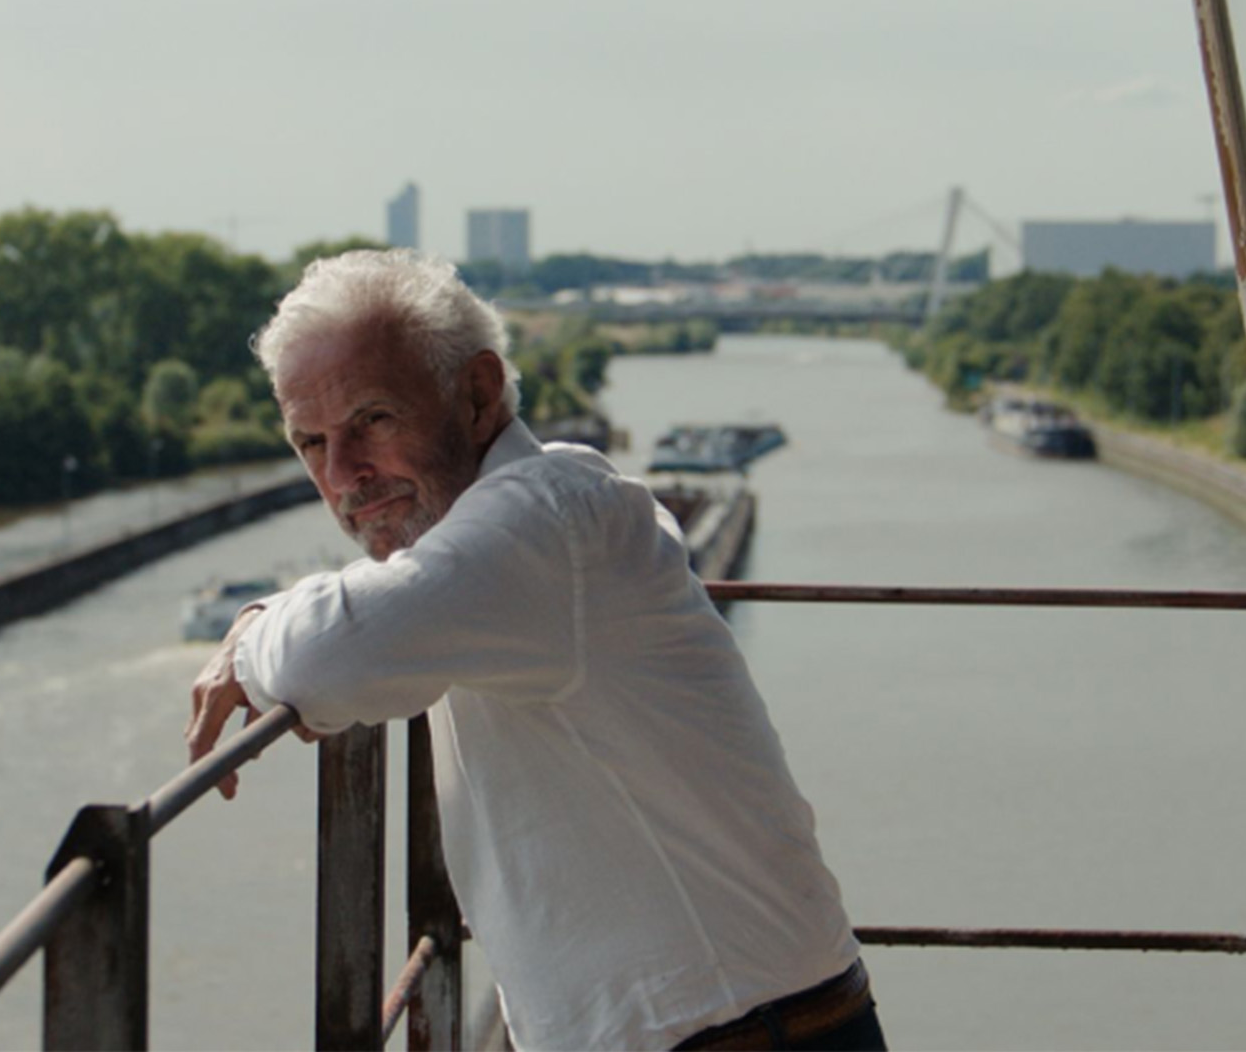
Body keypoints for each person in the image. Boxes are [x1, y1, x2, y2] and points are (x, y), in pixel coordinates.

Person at [185, 250, 884, 1051]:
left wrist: (248, 638)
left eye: (372, 420)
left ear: (478, 394)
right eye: (310, 442)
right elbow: (374, 625)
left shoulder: (547, 523)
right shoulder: (513, 539)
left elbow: (326, 662)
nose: (343, 474)